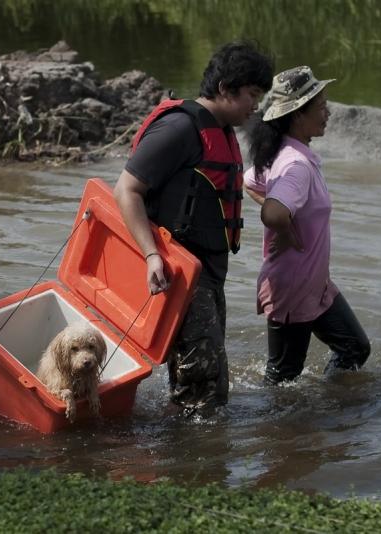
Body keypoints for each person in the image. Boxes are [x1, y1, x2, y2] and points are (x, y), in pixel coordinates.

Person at [113, 41, 273, 414]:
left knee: (207, 381)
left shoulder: (222, 129)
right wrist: (151, 255)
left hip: (209, 272)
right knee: (203, 391)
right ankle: (192, 466)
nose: (256, 105)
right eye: (251, 94)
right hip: (179, 271)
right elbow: (127, 190)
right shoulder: (180, 128)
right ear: (224, 89)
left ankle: (186, 456)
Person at [244, 66, 370, 384]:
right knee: (283, 381)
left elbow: (249, 183)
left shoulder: (285, 154)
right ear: (298, 115)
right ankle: (279, 430)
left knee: (354, 348)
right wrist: (286, 229)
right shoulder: (296, 165)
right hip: (293, 285)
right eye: (321, 107)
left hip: (315, 284)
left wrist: (290, 224)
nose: (328, 113)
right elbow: (273, 213)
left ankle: (326, 407)